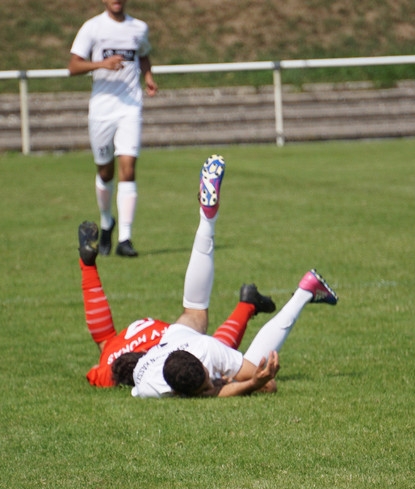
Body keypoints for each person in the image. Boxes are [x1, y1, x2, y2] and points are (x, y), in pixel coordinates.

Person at [128, 155, 338, 399]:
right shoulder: (146, 379)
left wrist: (247, 383)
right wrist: (242, 383)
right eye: (208, 385)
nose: (212, 384)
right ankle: (207, 219)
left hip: (186, 348)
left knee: (255, 373)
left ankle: (306, 291)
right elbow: (255, 385)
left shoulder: (180, 368)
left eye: (208, 380)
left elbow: (265, 383)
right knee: (194, 311)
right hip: (171, 342)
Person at [78, 159, 276, 388]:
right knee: (193, 317)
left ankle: (246, 302)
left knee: (208, 348)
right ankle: (88, 266)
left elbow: (93, 372)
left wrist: (248, 384)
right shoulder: (107, 363)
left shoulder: (112, 375)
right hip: (151, 332)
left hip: (160, 347)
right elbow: (99, 350)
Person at [69, 0, 158, 258]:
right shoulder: (93, 27)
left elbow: (143, 54)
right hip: (102, 110)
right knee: (105, 172)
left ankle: (125, 239)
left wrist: (148, 77)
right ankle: (107, 221)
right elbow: (73, 66)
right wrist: (101, 64)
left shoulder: (139, 27)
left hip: (130, 107)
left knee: (128, 168)